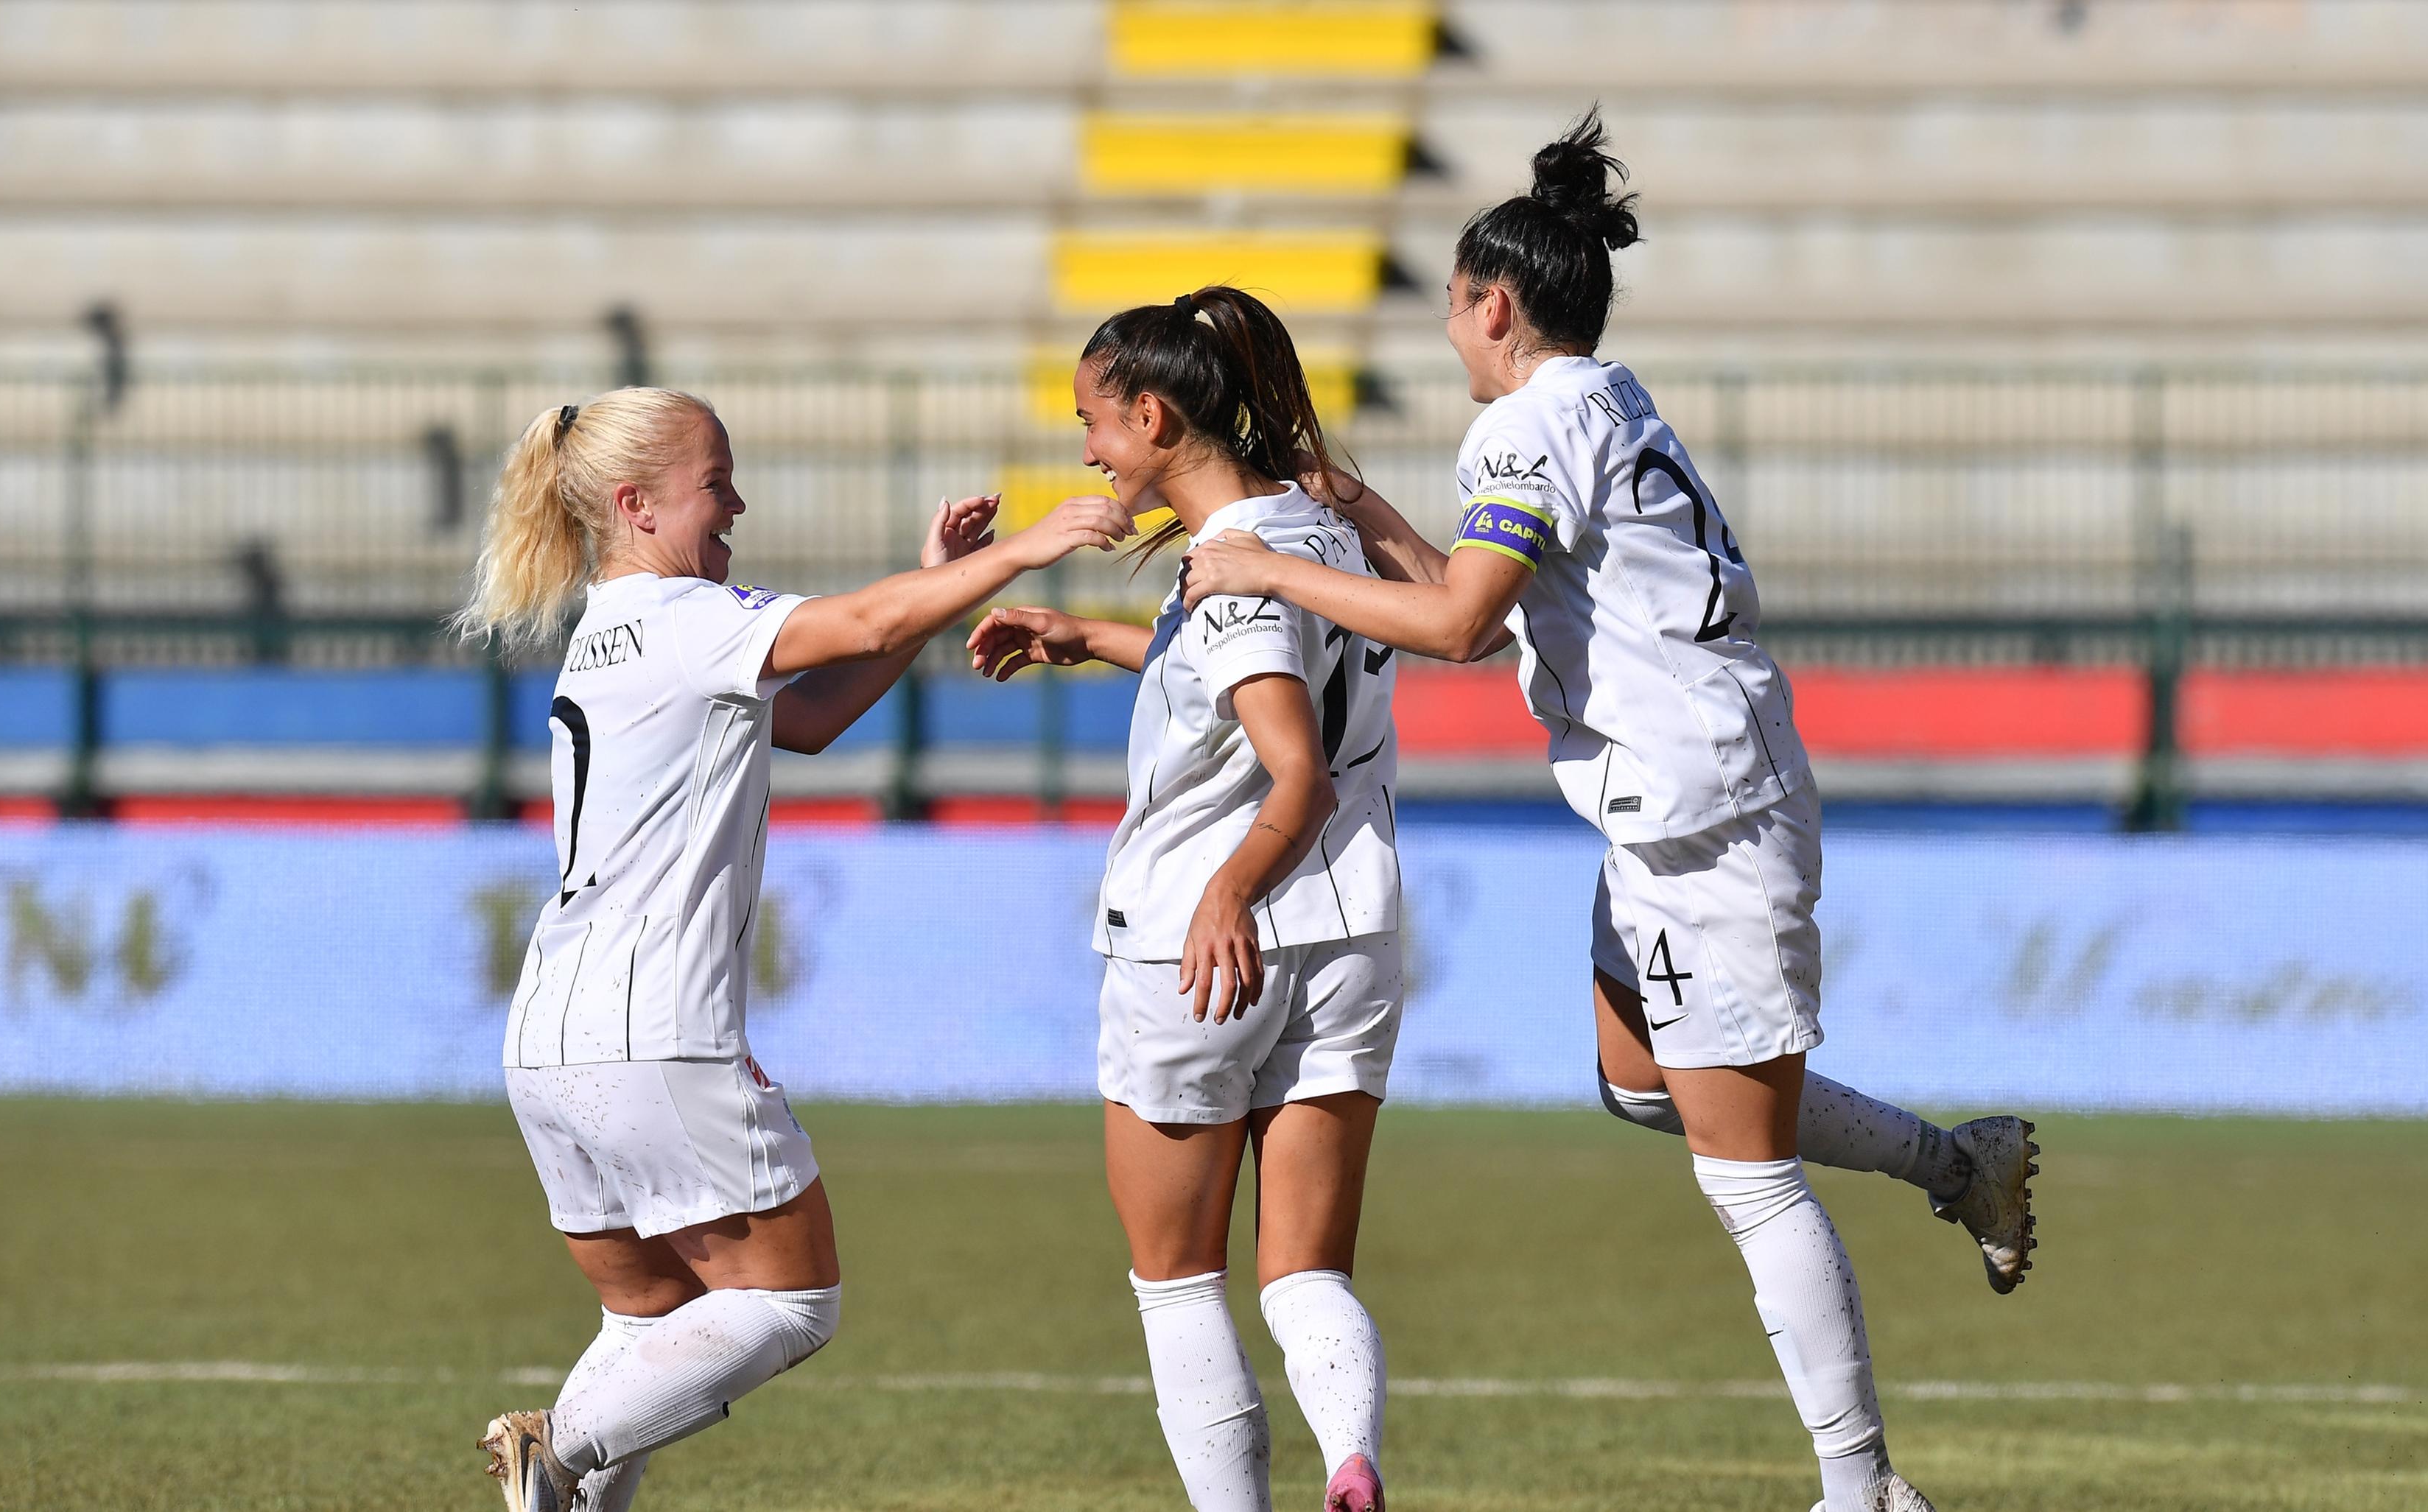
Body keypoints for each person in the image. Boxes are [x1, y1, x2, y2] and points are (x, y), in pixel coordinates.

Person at [1182, 116, 2038, 1512]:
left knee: (1745, 1175)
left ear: (1496, 305)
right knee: (1643, 1085)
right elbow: (1489, 583)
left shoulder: (1521, 429)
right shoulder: (1600, 402)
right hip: (1677, 802)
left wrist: (1269, 575)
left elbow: (1458, 624)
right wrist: (1343, 503)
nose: (1449, 332)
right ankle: (1960, 1162)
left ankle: (1865, 1490)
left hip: (1705, 818)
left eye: (1454, 307)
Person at [450, 385, 1134, 1512]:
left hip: (547, 1037)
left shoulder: (610, 634)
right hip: (651, 1030)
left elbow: (808, 714)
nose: (738, 504)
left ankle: (556, 1480)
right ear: (637, 505)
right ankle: (559, 1445)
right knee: (792, 1301)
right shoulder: (683, 616)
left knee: (656, 1321)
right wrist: (1024, 550)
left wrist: (922, 590)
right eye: (716, 484)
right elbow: (855, 628)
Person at [964, 286, 1401, 1512]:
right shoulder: (1313, 526)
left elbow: (1293, 763)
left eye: (1095, 422)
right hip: (1352, 931)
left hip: (1204, 945)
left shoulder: (1235, 564)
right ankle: (1353, 1454)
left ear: (1153, 415)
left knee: (1177, 1277)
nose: (1089, 449)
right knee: (1305, 1265)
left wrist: (1226, 888)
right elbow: (1248, 675)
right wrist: (1090, 638)